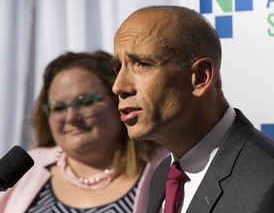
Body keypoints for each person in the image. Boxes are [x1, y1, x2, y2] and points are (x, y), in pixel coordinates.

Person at [111, 5, 274, 213]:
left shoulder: (273, 183)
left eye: (142, 64)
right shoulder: (163, 173)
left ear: (200, 78)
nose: (118, 86)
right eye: (118, 67)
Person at [0, 50, 168, 212]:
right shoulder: (27, 167)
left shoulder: (166, 167)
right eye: (58, 108)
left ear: (118, 101)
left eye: (86, 102)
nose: (71, 117)